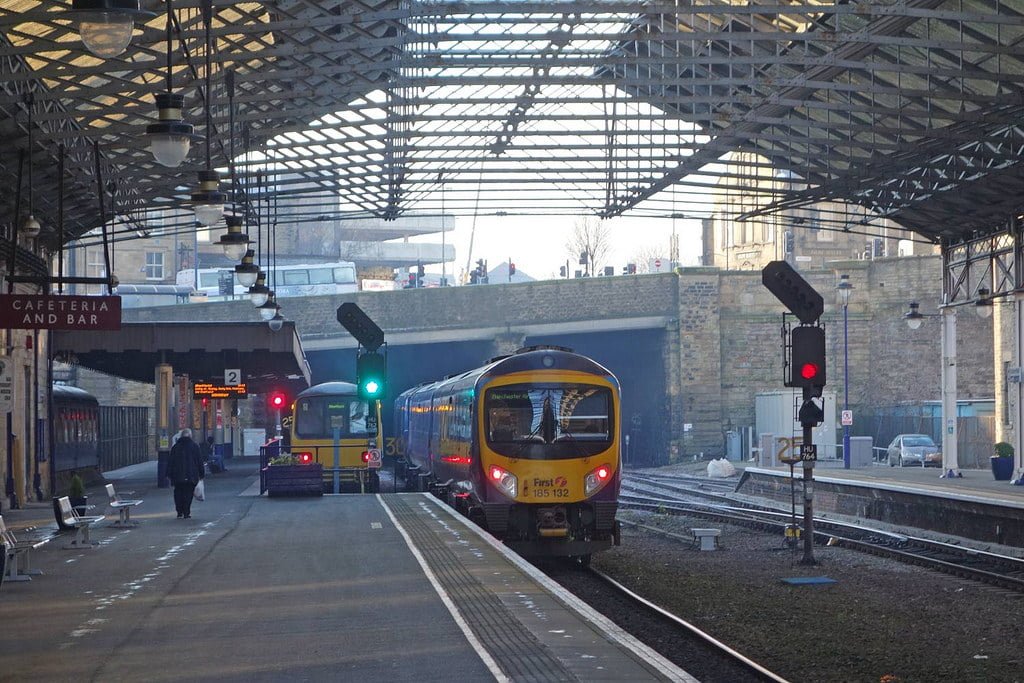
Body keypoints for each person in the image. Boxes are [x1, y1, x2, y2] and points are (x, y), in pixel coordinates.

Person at [167, 428, 204, 519]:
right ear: (190, 436)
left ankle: (179, 512)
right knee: (188, 494)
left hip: (177, 476)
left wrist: (169, 474)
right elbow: (199, 461)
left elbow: (171, 461)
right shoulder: (195, 446)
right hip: (191, 475)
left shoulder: (175, 447)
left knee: (178, 493)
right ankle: (186, 512)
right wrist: (201, 474)